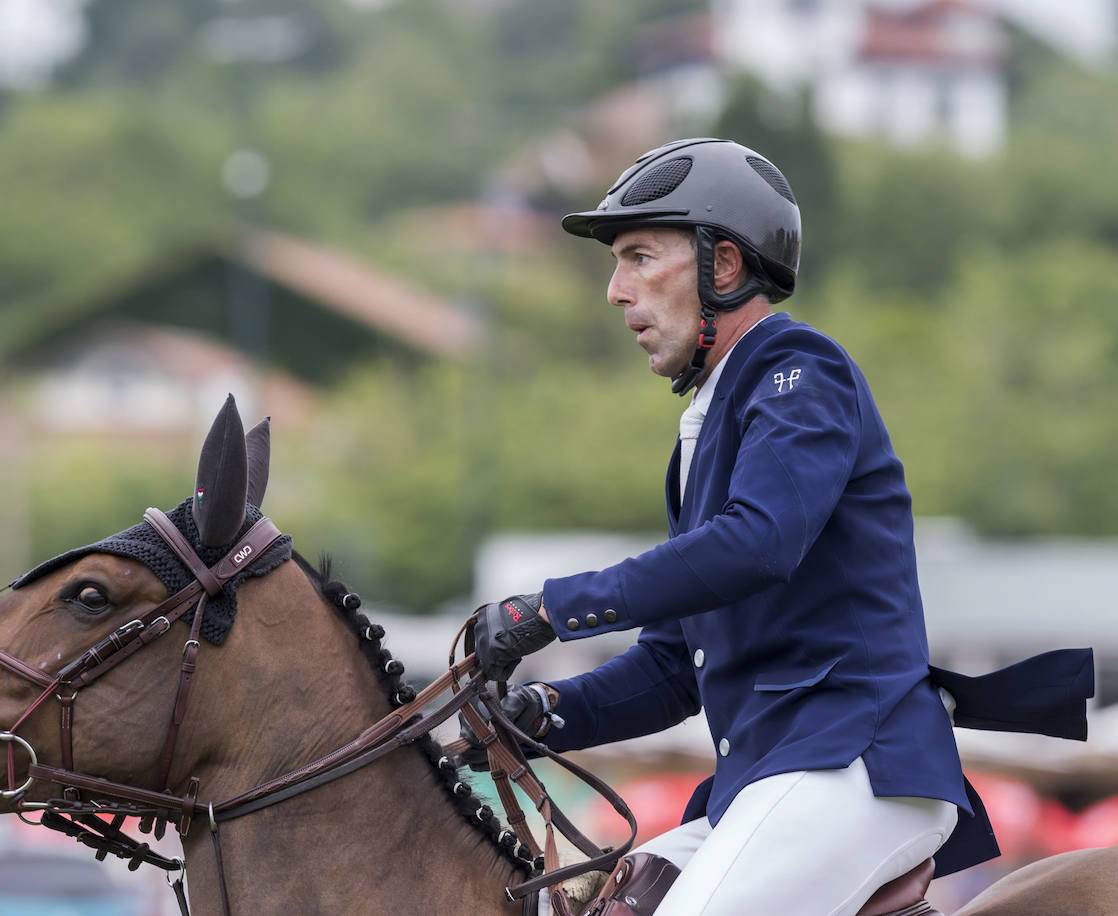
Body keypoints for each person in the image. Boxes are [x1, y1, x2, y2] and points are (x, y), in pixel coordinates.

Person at [467, 138, 1093, 916]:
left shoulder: (798, 368)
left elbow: (757, 543)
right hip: (769, 782)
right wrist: (542, 714)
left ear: (722, 267)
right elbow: (673, 668)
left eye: (635, 257)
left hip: (853, 768)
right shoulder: (705, 427)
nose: (614, 290)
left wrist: (552, 608)